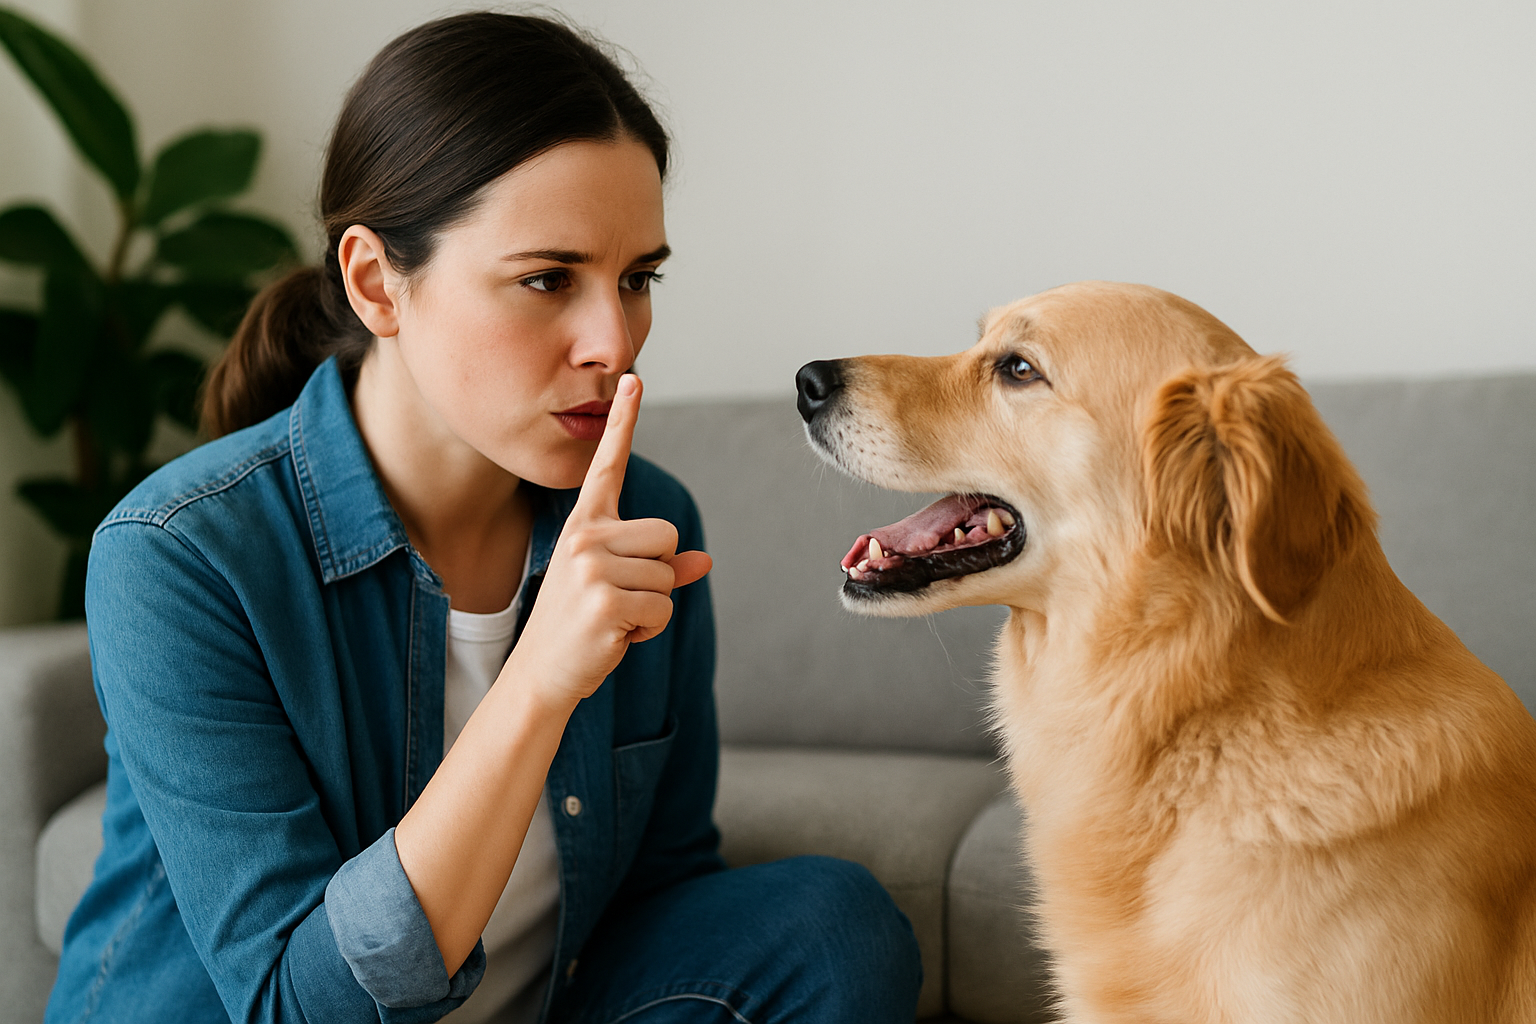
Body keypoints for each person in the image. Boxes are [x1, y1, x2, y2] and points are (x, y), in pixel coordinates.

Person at [43, 12, 921, 1024]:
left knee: (829, 924)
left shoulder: (646, 518)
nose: (614, 339)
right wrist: (539, 679)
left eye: (637, 280)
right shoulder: (181, 558)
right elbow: (296, 1005)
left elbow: (663, 896)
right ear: (377, 281)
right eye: (547, 279)